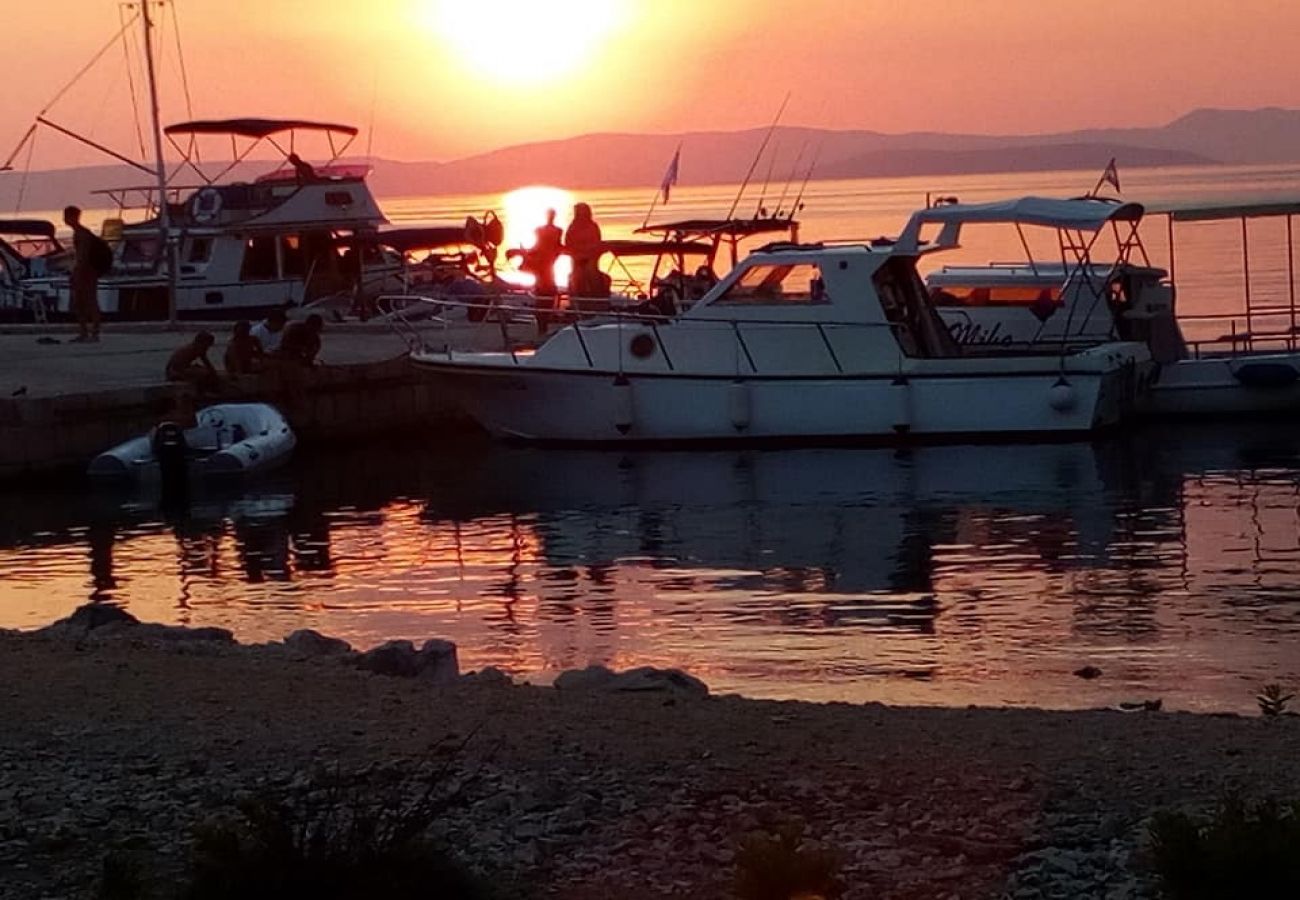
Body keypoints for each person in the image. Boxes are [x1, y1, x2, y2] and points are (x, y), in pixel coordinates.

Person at [64, 205, 102, 342]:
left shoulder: (82, 234)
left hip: (86, 273)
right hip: (86, 271)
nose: (65, 220)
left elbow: (83, 256)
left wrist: (76, 272)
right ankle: (85, 332)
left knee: (88, 302)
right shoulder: (81, 233)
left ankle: (93, 333)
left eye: (67, 216)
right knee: (81, 303)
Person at [564, 202, 606, 297]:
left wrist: (589, 252)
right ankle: (578, 299)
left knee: (592, 276)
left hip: (590, 259)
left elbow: (597, 242)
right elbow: (568, 242)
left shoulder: (593, 226)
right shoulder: (573, 227)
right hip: (577, 259)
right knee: (578, 279)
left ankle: (596, 298)